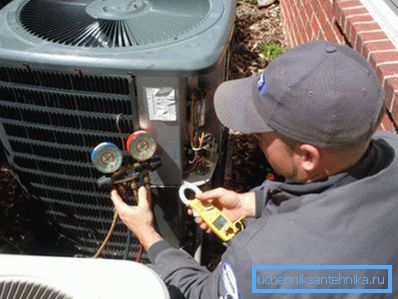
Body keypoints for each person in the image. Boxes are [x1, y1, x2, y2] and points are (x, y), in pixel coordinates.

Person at [110, 40, 398, 298]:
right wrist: (253, 202)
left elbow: (203, 294)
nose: (254, 136)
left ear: (308, 157)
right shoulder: (389, 145)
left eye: (262, 132)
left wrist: (148, 234)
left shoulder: (267, 264)